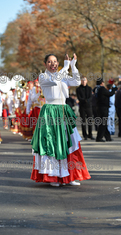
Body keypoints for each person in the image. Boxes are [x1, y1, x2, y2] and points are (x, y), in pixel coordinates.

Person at [30, 53, 91, 187]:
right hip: (51, 111)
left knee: (69, 141)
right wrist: (65, 66)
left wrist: (73, 66)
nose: (53, 64)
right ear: (45, 64)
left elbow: (75, 81)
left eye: (55, 61)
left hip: (63, 110)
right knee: (53, 142)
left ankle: (70, 175)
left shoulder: (62, 74)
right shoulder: (43, 77)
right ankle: (54, 176)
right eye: (50, 62)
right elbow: (54, 80)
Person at [95, 78, 117, 142]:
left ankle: (108, 137)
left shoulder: (97, 88)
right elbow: (109, 94)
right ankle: (99, 137)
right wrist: (113, 90)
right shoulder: (101, 89)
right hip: (103, 108)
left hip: (100, 107)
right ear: (102, 83)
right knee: (103, 123)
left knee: (103, 123)